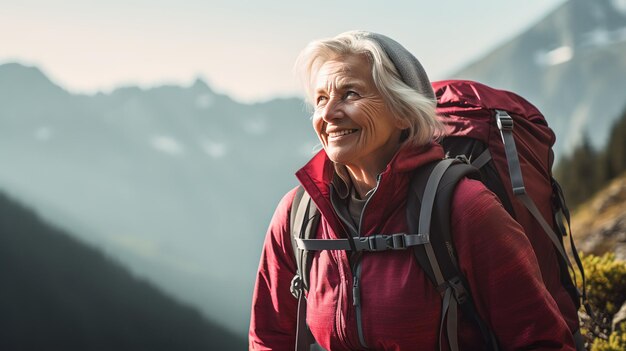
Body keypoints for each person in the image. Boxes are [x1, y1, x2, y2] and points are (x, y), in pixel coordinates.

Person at [249, 31, 575, 350]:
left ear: (402, 112)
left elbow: (539, 340)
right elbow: (268, 339)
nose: (328, 114)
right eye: (321, 98)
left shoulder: (463, 208)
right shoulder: (299, 214)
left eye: (350, 94)